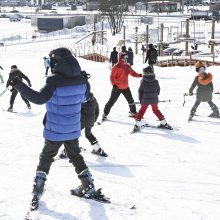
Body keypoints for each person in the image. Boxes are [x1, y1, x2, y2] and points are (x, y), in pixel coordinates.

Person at [7, 47, 101, 210]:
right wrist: (84, 82)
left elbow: (38, 98)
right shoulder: (82, 80)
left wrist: (18, 85)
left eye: (52, 61)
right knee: (76, 156)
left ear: (57, 62)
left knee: (46, 157)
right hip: (72, 129)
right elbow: (86, 97)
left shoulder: (53, 81)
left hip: (55, 130)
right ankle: (88, 185)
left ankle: (38, 188)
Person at [59, 74, 108, 158]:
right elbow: (97, 110)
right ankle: (98, 149)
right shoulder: (94, 99)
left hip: (81, 121)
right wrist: (93, 120)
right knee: (88, 134)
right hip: (90, 121)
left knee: (73, 135)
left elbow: (76, 111)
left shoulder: (81, 101)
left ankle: (67, 151)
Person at [102, 52, 142, 120]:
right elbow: (112, 77)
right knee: (112, 101)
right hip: (117, 87)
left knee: (130, 100)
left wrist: (140, 75)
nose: (126, 59)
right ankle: (105, 113)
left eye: (126, 57)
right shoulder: (116, 67)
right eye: (124, 57)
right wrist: (114, 85)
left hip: (125, 87)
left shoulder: (127, 66)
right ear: (120, 58)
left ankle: (133, 112)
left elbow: (132, 73)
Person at [133, 66, 171, 132]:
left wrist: (140, 100)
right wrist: (155, 96)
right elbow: (158, 90)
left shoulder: (143, 82)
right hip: (154, 99)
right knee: (156, 110)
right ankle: (164, 123)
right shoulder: (156, 81)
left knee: (141, 111)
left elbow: (140, 91)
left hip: (145, 100)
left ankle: (137, 125)